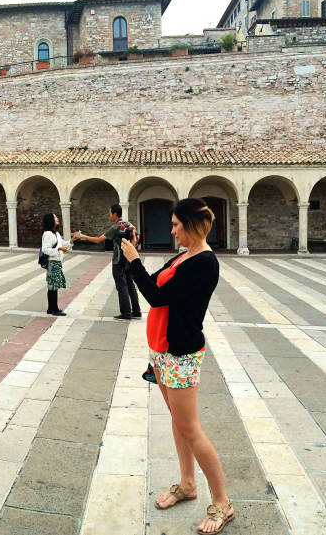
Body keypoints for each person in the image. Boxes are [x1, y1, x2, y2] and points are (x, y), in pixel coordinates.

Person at [121, 198, 233, 535]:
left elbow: (155, 297)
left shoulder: (204, 263)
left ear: (193, 226)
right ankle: (187, 484)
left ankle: (223, 503)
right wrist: (136, 264)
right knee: (179, 423)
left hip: (181, 354)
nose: (171, 231)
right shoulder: (183, 256)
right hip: (162, 353)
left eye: (175, 225)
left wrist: (135, 261)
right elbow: (155, 285)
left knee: (190, 428)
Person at [73, 204, 141, 320]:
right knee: (130, 284)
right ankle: (136, 311)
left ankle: (126, 313)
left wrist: (82, 235)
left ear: (114, 214)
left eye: (110, 212)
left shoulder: (115, 227)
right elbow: (136, 236)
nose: (110, 214)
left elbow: (98, 240)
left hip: (118, 259)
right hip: (129, 257)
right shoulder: (128, 224)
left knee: (121, 285)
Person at [40, 212, 71, 316]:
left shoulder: (56, 233)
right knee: (52, 286)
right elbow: (45, 249)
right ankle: (54, 309)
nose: (57, 218)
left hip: (57, 262)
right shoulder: (48, 234)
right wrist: (59, 249)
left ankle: (52, 308)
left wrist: (73, 240)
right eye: (55, 217)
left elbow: (63, 243)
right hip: (52, 263)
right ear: (50, 220)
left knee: (54, 286)